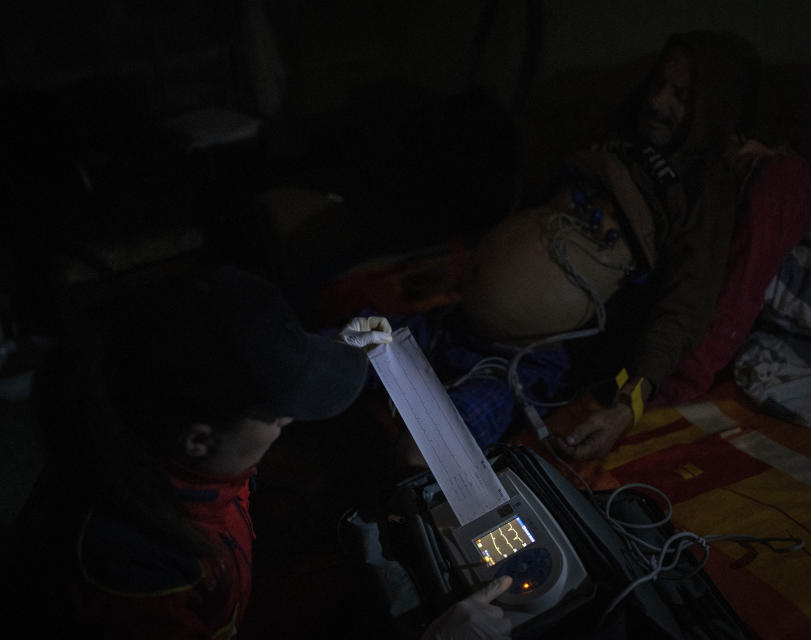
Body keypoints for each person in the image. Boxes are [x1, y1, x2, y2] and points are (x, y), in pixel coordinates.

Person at [3, 265, 512, 639]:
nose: (288, 421)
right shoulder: (133, 576)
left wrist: (334, 351)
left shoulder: (141, 407)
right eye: (277, 413)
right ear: (199, 439)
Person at [456, 30, 761, 461]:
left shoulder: (704, 187)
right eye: (657, 83)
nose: (657, 102)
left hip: (527, 362)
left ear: (712, 109)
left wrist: (626, 409)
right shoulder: (621, 136)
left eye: (680, 95)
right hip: (455, 320)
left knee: (426, 448)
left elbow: (684, 308)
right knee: (350, 344)